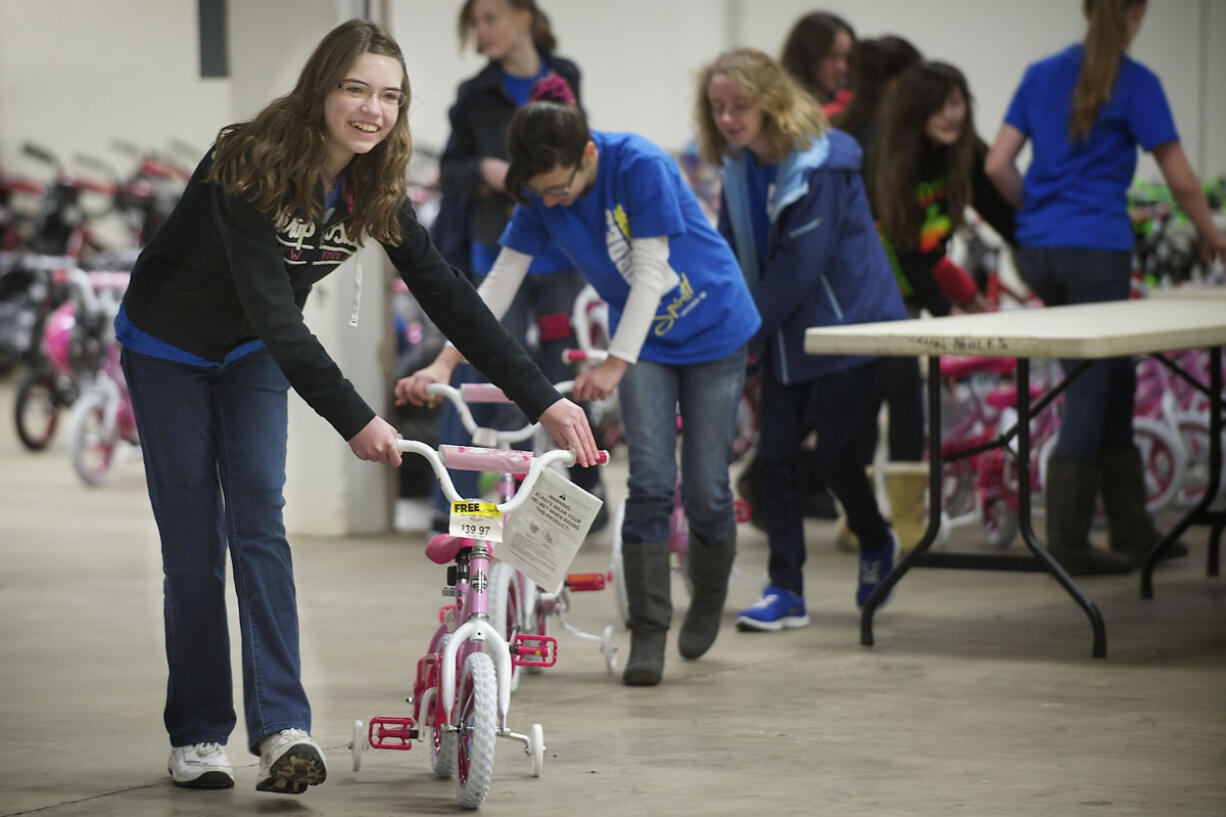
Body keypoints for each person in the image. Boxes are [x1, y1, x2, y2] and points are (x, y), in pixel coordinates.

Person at [115, 20, 597, 794]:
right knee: (194, 547)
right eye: (356, 89)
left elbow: (448, 295)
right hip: (168, 344)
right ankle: (200, 733)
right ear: (322, 89)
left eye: (390, 96)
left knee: (259, 527)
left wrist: (543, 398)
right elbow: (277, 313)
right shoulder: (248, 162)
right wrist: (357, 417)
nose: (372, 110)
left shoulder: (376, 184)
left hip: (248, 354)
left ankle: (281, 730)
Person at [401, 76, 760, 686]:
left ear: (588, 154)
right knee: (649, 477)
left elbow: (652, 274)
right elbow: (493, 290)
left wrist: (613, 363)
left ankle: (708, 593)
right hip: (643, 345)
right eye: (542, 193)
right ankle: (650, 630)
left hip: (716, 331)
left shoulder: (638, 164)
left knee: (705, 488)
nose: (555, 202)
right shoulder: (543, 197)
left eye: (562, 187)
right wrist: (443, 362)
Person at [985, 0, 1224, 574]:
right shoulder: (1137, 82)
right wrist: (1211, 234)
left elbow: (997, 166)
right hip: (1097, 251)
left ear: (1086, 10)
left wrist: (1040, 214)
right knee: (1093, 386)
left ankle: (1132, 527)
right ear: (1138, 13)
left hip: (1038, 251)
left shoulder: (1040, 74)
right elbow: (1181, 178)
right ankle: (1065, 540)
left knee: (1113, 374)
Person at [695, 48, 906, 632]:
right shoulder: (739, 168)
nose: (729, 119)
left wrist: (738, 335)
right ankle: (786, 589)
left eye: (741, 106)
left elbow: (798, 266)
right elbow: (731, 254)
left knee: (837, 456)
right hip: (785, 332)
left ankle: (875, 536)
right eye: (718, 108)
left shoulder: (824, 163)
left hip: (846, 328)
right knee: (777, 459)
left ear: (771, 104)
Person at [431, 0, 603, 528]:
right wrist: (487, 167)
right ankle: (456, 504)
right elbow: (451, 169)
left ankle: (575, 507)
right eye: (475, 24)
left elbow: (578, 156)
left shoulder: (566, 76)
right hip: (497, 248)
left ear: (524, 16)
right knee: (486, 369)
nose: (482, 34)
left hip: (559, 257)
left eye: (490, 19)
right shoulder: (474, 96)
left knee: (562, 377)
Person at [858, 60, 1018, 552]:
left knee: (908, 399)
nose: (952, 115)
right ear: (916, 109)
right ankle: (863, 517)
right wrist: (943, 307)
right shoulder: (886, 153)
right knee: (871, 401)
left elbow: (1008, 216)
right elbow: (895, 243)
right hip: (871, 291)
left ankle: (905, 518)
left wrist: (1041, 265)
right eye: (940, 104)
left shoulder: (963, 154)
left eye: (958, 102)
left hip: (915, 287)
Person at [780, 11, 855, 116]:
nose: (843, 67)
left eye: (847, 58)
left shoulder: (845, 101)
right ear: (806, 56)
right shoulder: (782, 107)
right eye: (832, 56)